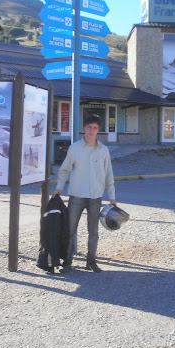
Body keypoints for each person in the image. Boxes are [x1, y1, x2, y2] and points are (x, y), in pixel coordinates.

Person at [53, 114, 116, 273]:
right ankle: (67, 262)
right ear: (84, 128)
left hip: (96, 197)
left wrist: (112, 197)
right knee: (70, 230)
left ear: (98, 130)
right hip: (76, 195)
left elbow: (109, 174)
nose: (91, 130)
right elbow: (64, 169)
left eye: (95, 127)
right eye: (89, 127)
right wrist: (59, 187)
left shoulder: (103, 151)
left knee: (93, 232)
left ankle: (91, 261)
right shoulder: (74, 148)